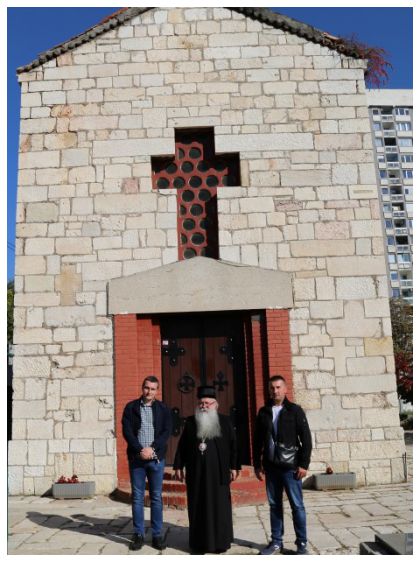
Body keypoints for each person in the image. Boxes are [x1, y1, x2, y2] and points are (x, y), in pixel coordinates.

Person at [173, 385, 241, 554]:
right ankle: (199, 544)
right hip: (196, 474)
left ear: (215, 405)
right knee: (197, 506)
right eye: (201, 403)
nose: (203, 406)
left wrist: (234, 466)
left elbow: (234, 446)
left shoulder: (225, 422)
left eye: (207, 403)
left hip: (218, 474)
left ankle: (220, 543)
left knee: (220, 507)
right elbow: (182, 447)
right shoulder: (191, 422)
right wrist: (178, 465)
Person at [253, 375, 312, 555]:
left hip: (291, 468)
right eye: (272, 388)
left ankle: (302, 544)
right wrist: (257, 464)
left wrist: (303, 464)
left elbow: (306, 439)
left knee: (297, 506)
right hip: (271, 467)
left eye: (278, 387)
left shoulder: (295, 411)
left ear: (285, 389)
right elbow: (257, 440)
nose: (275, 391)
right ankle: (276, 542)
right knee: (274, 505)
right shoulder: (263, 412)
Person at [122, 375, 172, 551]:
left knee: (156, 497)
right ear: (142, 388)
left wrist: (152, 448)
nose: (149, 391)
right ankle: (138, 534)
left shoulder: (163, 409)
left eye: (152, 389)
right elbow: (127, 431)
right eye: (146, 388)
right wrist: (140, 450)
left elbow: (166, 432)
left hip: (156, 459)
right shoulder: (131, 408)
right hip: (137, 459)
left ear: (157, 391)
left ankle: (157, 535)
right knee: (137, 497)